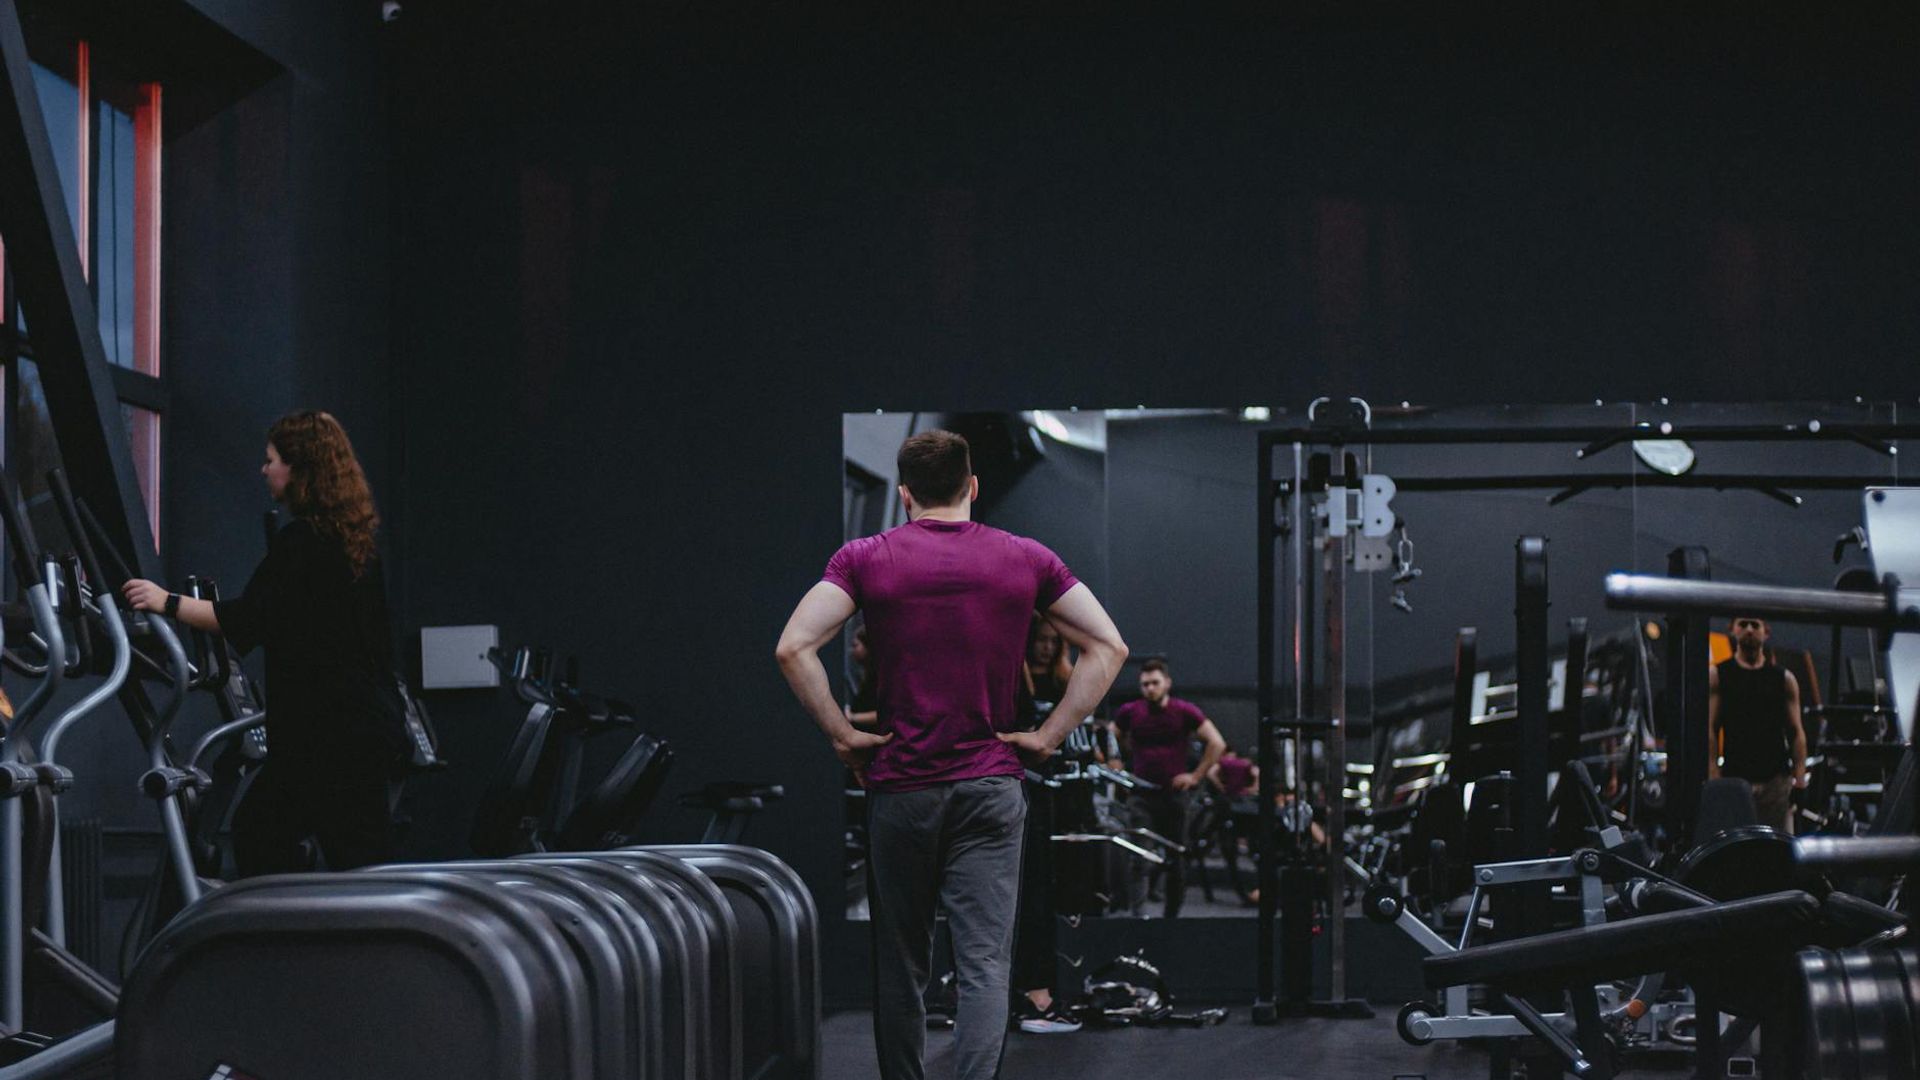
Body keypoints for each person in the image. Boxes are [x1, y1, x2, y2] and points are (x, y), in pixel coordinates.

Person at [775, 429, 1126, 1080]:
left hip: (901, 789)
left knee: (900, 964)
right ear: (972, 488)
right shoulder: (1026, 557)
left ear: (904, 494)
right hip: (991, 789)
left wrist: (841, 736)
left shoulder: (866, 555)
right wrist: (1049, 736)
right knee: (986, 963)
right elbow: (1108, 647)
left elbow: (793, 647)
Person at [123, 410, 402, 875]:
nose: (264, 469)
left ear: (300, 469)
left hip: (322, 739)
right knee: (351, 859)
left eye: (272, 459)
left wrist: (163, 601)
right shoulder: (356, 546)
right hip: (361, 731)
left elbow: (242, 619)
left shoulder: (302, 543)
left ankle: (293, 941)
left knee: (260, 834)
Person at [1009, 614, 1080, 1034]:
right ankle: (1032, 997)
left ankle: (1037, 993)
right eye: (1041, 639)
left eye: (1055, 641)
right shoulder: (1014, 682)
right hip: (1013, 790)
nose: (1047, 647)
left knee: (1040, 891)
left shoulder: (1065, 681)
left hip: (1051, 796)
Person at [1112, 658, 1225, 917]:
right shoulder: (1131, 711)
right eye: (1145, 684)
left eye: (1154, 683)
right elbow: (1110, 736)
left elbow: (1216, 743)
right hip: (1141, 794)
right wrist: (1113, 761)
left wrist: (1195, 776)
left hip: (1175, 796)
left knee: (1177, 859)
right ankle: (1138, 917)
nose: (1150, 688)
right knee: (1139, 856)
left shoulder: (1184, 711)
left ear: (1167, 684)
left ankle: (1171, 919)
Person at [1707, 615, 1808, 834]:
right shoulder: (1718, 675)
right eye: (1743, 624)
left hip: (1775, 782)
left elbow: (1796, 732)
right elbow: (1710, 729)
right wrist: (1714, 774)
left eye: (1755, 625)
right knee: (1738, 851)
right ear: (1732, 629)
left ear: (1766, 632)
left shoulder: (1784, 679)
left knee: (1777, 853)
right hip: (1736, 779)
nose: (1749, 629)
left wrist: (1799, 778)